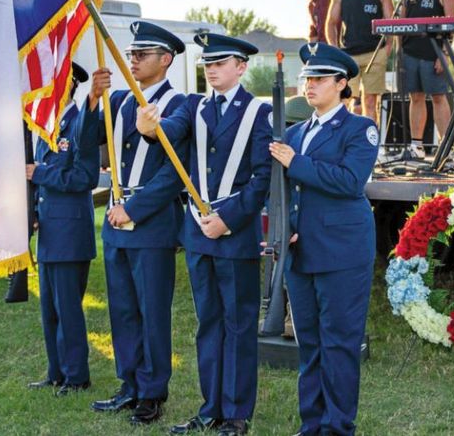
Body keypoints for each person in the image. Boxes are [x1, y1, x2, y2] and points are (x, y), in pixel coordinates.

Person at [136, 33, 273, 436]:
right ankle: (210, 407)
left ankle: (235, 414)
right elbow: (170, 130)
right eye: (207, 64)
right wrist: (149, 127)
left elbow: (262, 178)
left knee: (238, 324)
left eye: (220, 62)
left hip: (234, 233)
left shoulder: (257, 113)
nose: (211, 69)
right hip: (197, 232)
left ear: (241, 66)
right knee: (207, 323)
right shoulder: (194, 106)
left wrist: (228, 219)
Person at [78, 21, 189, 425]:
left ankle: (153, 391)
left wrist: (135, 208)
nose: (134, 60)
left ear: (166, 59)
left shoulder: (179, 104)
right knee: (122, 309)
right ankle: (130, 383)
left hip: (151, 223)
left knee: (152, 310)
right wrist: (93, 97)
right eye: (132, 54)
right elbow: (86, 139)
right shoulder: (121, 100)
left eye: (143, 55)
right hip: (116, 220)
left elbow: (176, 173)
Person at [268, 43, 378, 436]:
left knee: (339, 344)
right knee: (310, 345)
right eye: (307, 78)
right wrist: (286, 225)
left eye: (318, 78)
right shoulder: (295, 131)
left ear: (341, 83)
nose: (309, 85)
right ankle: (311, 424)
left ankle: (337, 427)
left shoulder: (359, 128)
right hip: (302, 250)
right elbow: (283, 192)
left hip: (342, 252)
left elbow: (349, 182)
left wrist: (295, 163)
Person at [26, 62, 98, 396]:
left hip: (71, 232)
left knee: (68, 308)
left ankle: (76, 376)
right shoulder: (44, 128)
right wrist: (34, 210)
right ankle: (55, 371)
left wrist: (38, 174)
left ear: (66, 86)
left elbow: (85, 178)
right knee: (50, 308)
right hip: (50, 231)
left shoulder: (80, 123)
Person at [399, 0, 454, 159]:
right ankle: (417, 145)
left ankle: (445, 145)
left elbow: (451, 23)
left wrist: (444, 54)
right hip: (410, 51)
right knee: (416, 97)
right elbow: (401, 21)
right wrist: (399, 51)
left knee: (439, 97)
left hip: (433, 52)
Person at [325, 0, 394, 125]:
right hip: (349, 55)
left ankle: (370, 142)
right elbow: (331, 22)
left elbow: (391, 22)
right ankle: (343, 139)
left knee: (370, 101)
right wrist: (335, 49)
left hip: (375, 52)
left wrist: (388, 47)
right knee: (344, 99)